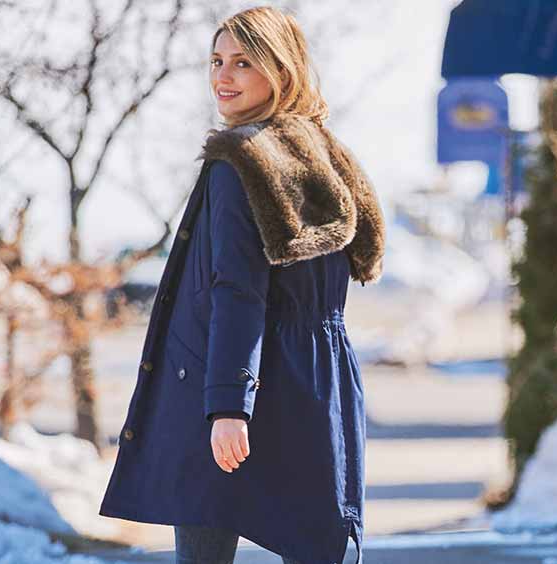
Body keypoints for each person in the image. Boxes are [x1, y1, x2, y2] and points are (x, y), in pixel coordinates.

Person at [98, 6, 385, 564]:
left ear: (281, 70)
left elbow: (237, 289)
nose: (222, 78)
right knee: (322, 546)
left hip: (233, 383)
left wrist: (228, 405)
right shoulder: (326, 156)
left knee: (206, 549)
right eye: (216, 61)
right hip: (317, 382)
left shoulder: (241, 161)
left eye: (242, 64)